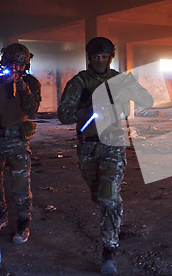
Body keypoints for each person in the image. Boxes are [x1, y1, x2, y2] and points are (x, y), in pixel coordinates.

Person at [58, 37, 153, 274]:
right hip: (88, 145)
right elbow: (63, 115)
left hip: (113, 142)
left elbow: (147, 100)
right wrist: (87, 109)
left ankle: (109, 251)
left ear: (111, 57)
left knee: (108, 193)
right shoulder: (79, 82)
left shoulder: (119, 79)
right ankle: (112, 219)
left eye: (104, 57)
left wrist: (127, 88)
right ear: (89, 57)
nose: (100, 61)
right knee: (98, 196)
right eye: (96, 57)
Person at [0, 43, 41, 244]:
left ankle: (23, 221)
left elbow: (32, 111)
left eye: (20, 65)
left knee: (20, 183)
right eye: (11, 65)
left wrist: (22, 88)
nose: (15, 69)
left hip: (16, 140)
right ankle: (0, 215)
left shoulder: (30, 82)